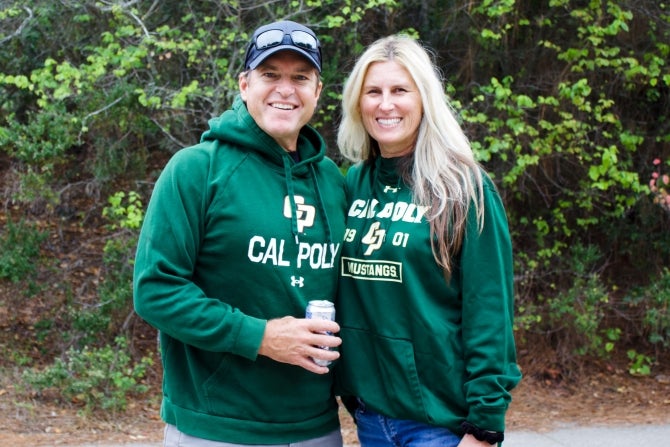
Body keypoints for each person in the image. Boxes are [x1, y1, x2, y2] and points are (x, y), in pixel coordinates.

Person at [133, 20, 347, 447]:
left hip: (316, 428)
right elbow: (156, 290)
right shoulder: (197, 169)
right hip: (216, 426)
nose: (286, 89)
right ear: (245, 83)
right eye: (271, 75)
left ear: (318, 92)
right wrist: (261, 338)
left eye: (300, 78)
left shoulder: (332, 181)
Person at [335, 35, 522, 447]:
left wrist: (485, 427)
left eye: (400, 90)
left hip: (440, 425)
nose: (386, 105)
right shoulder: (353, 184)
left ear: (424, 99)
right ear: (357, 102)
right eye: (373, 92)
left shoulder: (463, 189)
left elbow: (488, 311)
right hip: (371, 417)